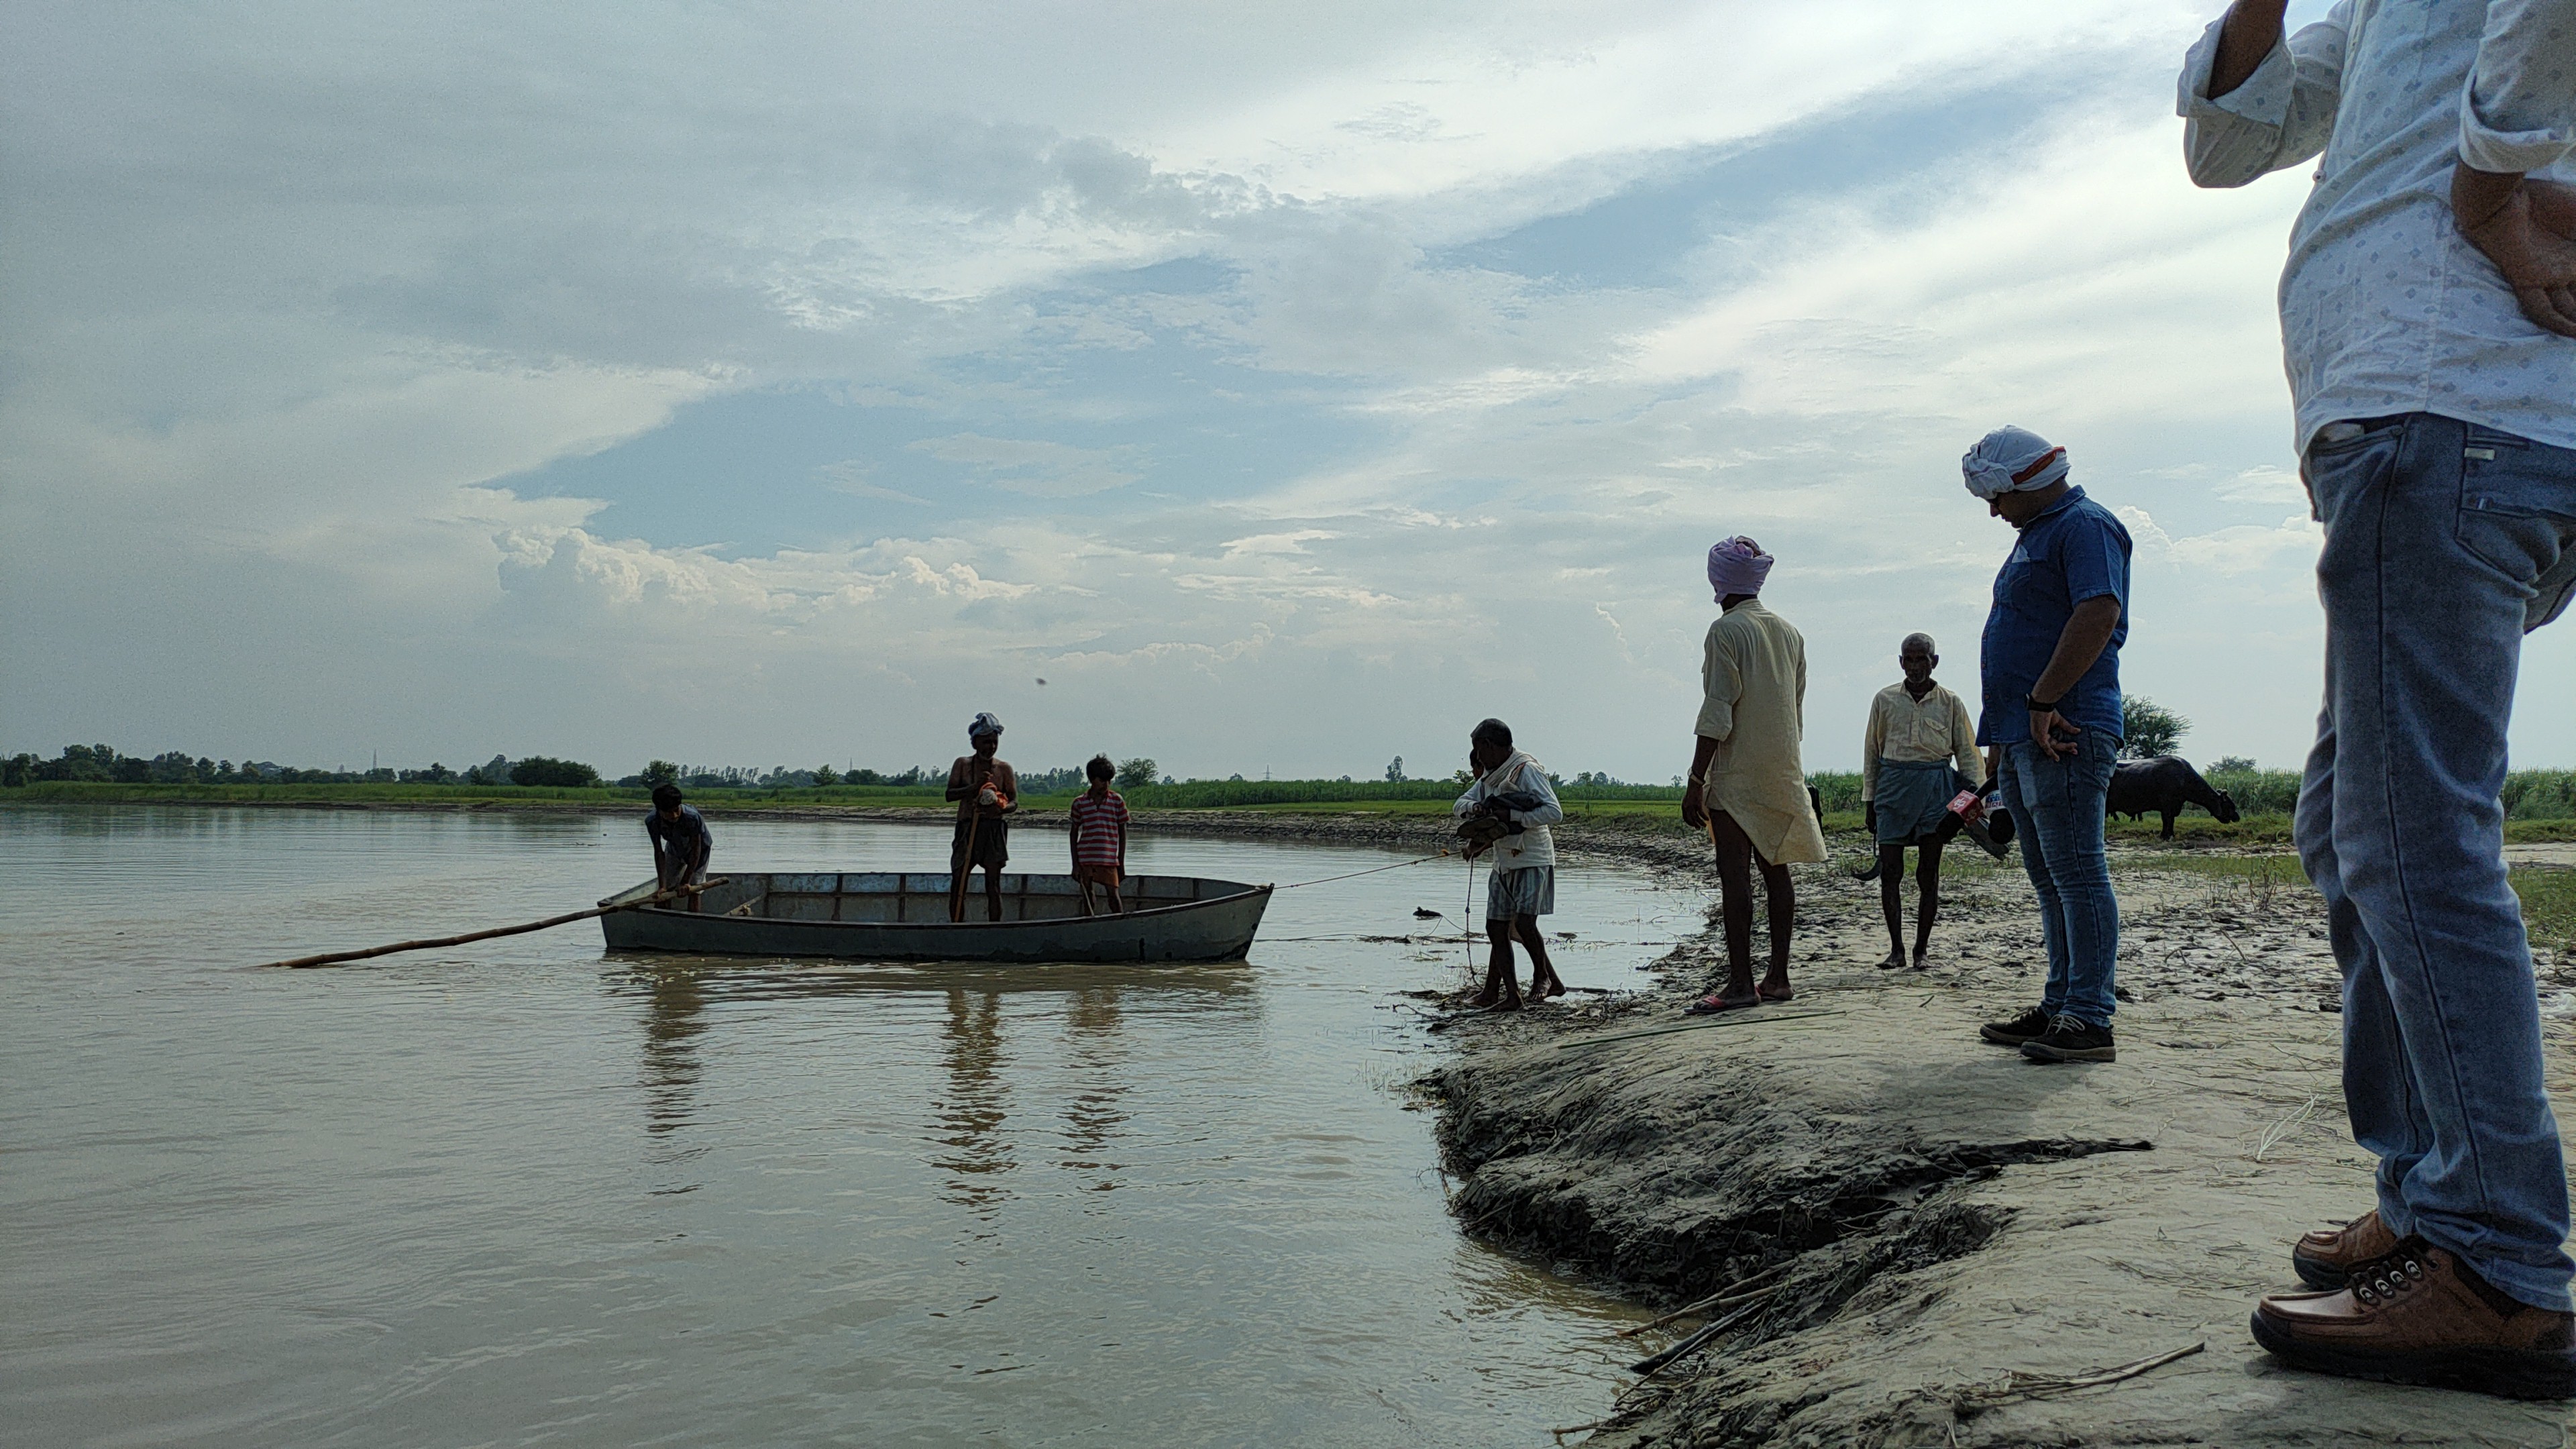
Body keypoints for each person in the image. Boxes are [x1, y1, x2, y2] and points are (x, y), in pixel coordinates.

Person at [2180, 0, 2576, 1396]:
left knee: (2412, 839)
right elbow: (2234, 144)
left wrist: (2485, 198)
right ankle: (2431, 1199)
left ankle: (2503, 1267)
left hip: (2453, 411)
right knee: (2356, 821)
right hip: (2432, 421)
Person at [1963, 428, 2131, 1066]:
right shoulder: (2038, 534)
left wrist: (2042, 701)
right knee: (2049, 876)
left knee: (2078, 872)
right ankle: (2063, 1001)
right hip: (2025, 733)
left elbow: (2098, 613)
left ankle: (2090, 1017)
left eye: (1999, 496)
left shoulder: (2085, 526)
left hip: (2065, 725)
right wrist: (2005, 738)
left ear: (2025, 483)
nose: (1994, 510)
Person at [1680, 537, 1826, 1014]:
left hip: (1738, 772)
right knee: (1776, 870)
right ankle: (1778, 978)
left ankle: (1742, 982)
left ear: (1717, 580)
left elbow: (1718, 710)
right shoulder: (1789, 632)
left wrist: (1696, 779)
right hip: (1783, 766)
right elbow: (1794, 707)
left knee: (1735, 878)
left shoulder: (1726, 631)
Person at [1859, 633, 1991, 971]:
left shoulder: (1951, 702)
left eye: (1923, 659)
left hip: (1936, 790)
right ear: (1901, 662)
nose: (1916, 666)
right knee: (1890, 872)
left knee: (1928, 873)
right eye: (1909, 659)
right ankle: (1896, 950)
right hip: (1892, 789)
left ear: (1935, 661)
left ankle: (1921, 950)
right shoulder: (1885, 700)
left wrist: (1977, 799)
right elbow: (1872, 753)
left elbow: (1967, 752)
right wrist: (1870, 800)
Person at [1452, 718, 1567, 1011]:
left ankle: (1542, 977)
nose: (1477, 757)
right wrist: (1475, 809)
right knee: (1495, 927)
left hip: (1532, 857)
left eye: (1478, 749)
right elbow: (1460, 804)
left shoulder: (1525, 769)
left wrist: (1513, 818)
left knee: (1526, 924)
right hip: (1503, 861)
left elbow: (1553, 812)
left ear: (1489, 746)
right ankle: (1511, 996)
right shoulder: (1488, 778)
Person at [945, 712, 1018, 922]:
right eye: (986, 742)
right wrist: (974, 788)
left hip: (993, 830)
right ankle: (957, 927)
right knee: (959, 882)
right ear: (975, 742)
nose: (991, 747)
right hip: (967, 828)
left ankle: (994, 929)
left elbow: (1014, 802)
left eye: (994, 742)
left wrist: (1001, 810)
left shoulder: (1003, 769)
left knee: (993, 884)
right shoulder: (963, 764)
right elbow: (949, 795)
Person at [1067, 753, 1130, 915]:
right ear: (1092, 779)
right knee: (1088, 897)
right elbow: (1074, 834)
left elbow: (1122, 833)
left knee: (1114, 897)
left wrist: (1121, 862)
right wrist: (1075, 864)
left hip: (1109, 859)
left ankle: (1120, 924)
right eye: (1102, 781)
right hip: (1086, 858)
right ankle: (1088, 925)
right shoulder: (1080, 803)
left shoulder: (1117, 801)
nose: (1106, 785)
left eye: (1109, 781)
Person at [645, 782, 713, 907]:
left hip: (700, 850)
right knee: (665, 890)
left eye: (676, 810)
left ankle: (694, 921)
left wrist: (685, 881)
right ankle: (662, 917)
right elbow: (659, 852)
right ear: (659, 810)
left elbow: (696, 849)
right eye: (668, 812)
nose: (674, 815)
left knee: (694, 888)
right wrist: (662, 885)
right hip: (675, 848)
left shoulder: (692, 818)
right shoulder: (652, 821)